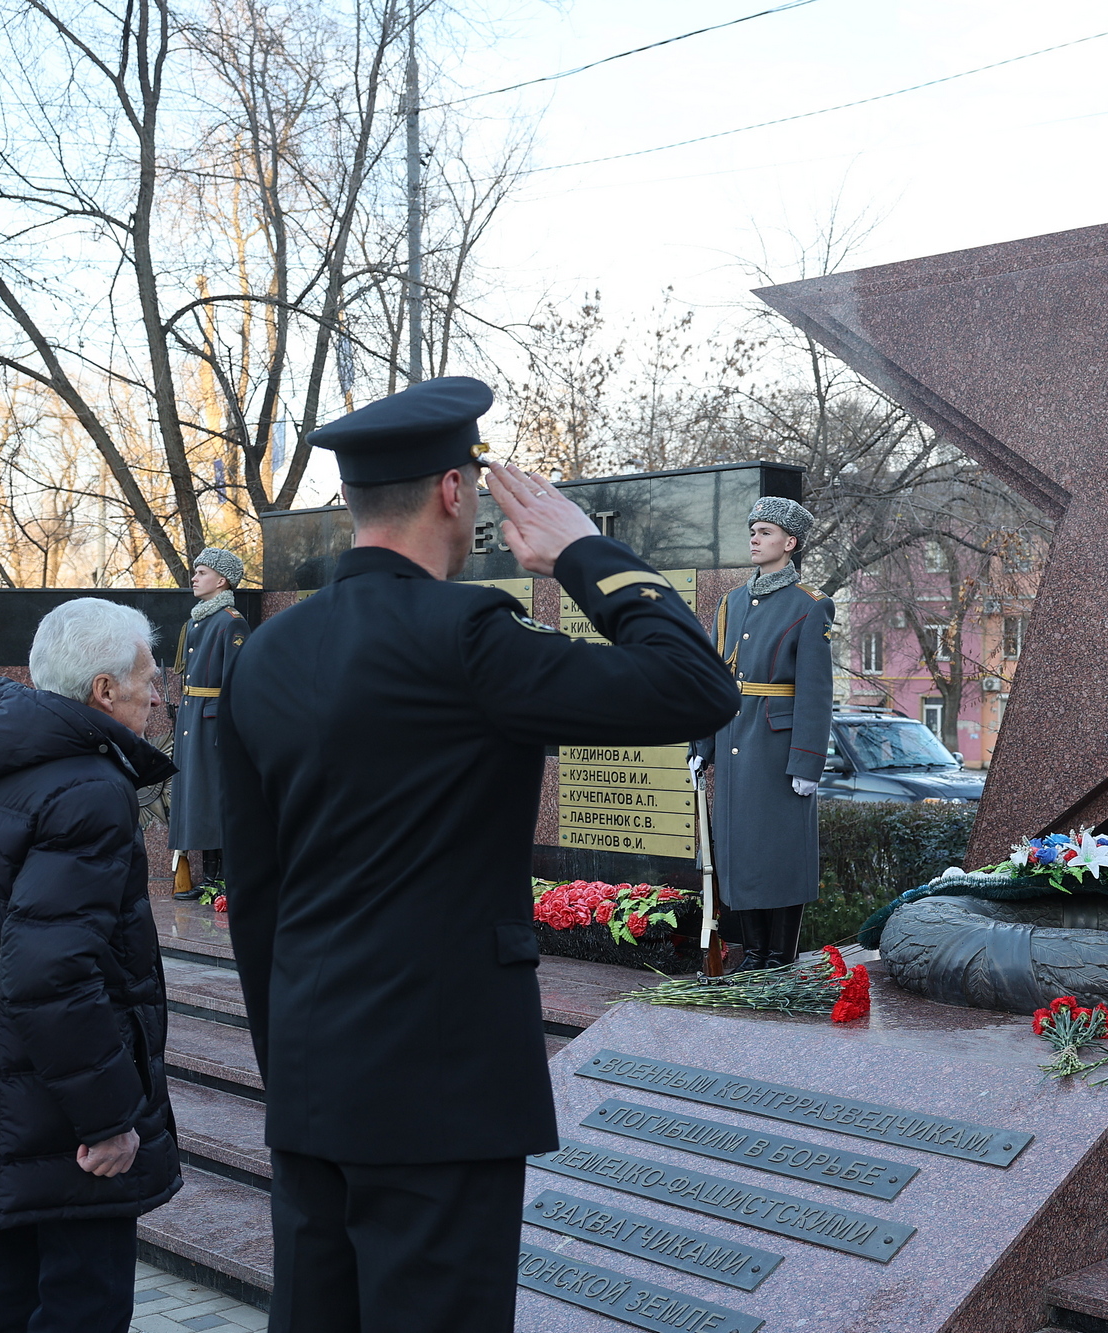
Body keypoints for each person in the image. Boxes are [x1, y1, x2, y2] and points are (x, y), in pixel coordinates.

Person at [220, 375, 739, 1332]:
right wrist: (584, 549)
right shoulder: (465, 638)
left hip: (310, 1074)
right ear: (455, 492)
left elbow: (254, 891)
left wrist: (288, 1062)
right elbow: (695, 685)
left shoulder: (267, 652)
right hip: (439, 1084)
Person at [0, 599, 182, 1331]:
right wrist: (108, 1119)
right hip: (62, 1125)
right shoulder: (88, 788)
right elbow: (50, 974)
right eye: (148, 679)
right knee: (79, 1300)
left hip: (0, 1104)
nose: (159, 695)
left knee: (10, 1286)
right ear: (103, 690)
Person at [688, 497, 836, 970]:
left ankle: (779, 961)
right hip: (734, 744)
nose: (755, 538)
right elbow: (715, 680)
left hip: (778, 749)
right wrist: (702, 744)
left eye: (766, 532)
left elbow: (815, 691)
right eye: (753, 530)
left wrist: (808, 761)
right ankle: (752, 958)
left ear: (789, 544)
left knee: (781, 857)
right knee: (740, 855)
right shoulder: (731, 602)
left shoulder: (810, 605)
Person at [169, 546, 250, 903]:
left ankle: (224, 879)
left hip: (211, 721)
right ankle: (209, 877)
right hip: (192, 716)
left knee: (214, 797)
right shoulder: (198, 620)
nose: (195, 577)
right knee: (197, 797)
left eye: (202, 572)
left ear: (222, 580)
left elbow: (237, 681)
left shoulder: (231, 621)